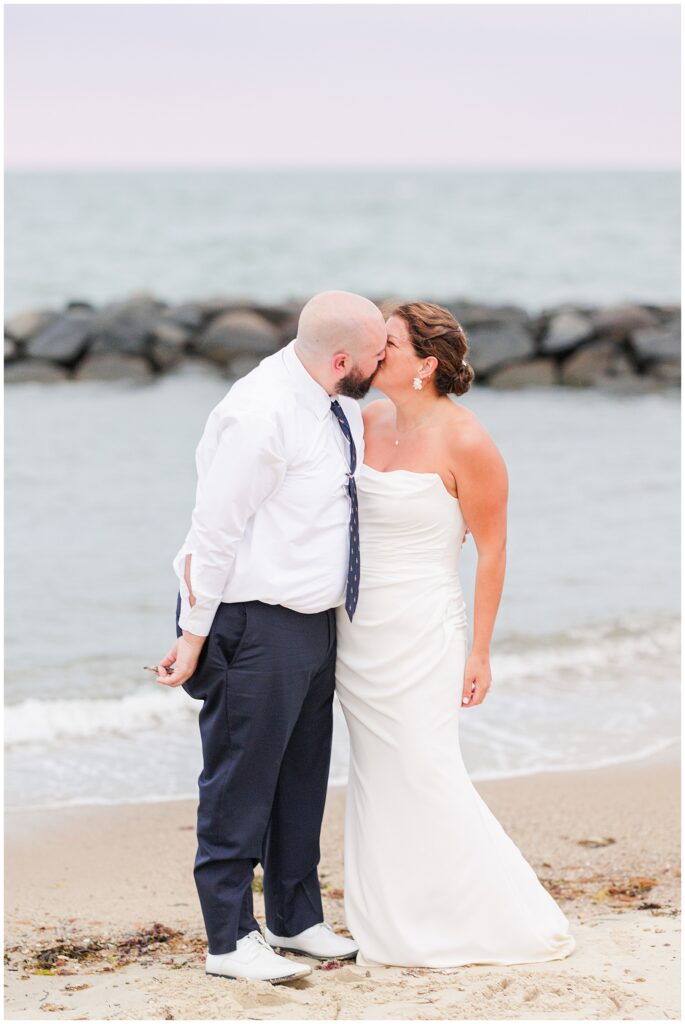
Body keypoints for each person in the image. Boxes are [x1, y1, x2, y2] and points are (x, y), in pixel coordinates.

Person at [335, 300, 577, 968]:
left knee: (425, 768)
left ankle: (491, 918)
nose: (371, 350)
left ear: (425, 364)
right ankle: (392, 921)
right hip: (355, 634)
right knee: (377, 775)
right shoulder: (363, 419)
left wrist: (479, 652)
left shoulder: (467, 440)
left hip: (423, 634)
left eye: (385, 342)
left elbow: (492, 551)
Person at [154, 290, 387, 984]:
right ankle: (227, 940)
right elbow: (212, 533)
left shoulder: (335, 401)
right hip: (251, 622)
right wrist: (194, 636)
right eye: (378, 353)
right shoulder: (261, 414)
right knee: (239, 782)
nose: (384, 362)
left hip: (313, 623)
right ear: (343, 357)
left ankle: (292, 915)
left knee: (300, 780)